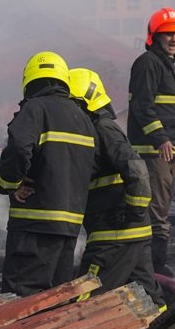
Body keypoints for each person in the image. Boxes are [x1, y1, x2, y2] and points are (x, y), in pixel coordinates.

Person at [0, 52, 96, 296]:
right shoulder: (83, 118)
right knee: (56, 297)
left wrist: (10, 184)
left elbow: (19, 147)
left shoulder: (35, 108)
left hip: (35, 224)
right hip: (69, 226)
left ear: (29, 81)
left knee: (22, 296)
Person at [67, 68, 164, 311]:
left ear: (84, 102)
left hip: (113, 235)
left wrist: (132, 212)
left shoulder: (102, 128)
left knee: (87, 300)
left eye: (71, 104)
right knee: (149, 300)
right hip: (132, 233)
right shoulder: (96, 129)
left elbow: (137, 171)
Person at [128, 8, 175, 275]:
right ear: (155, 37)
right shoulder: (148, 63)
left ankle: (152, 266)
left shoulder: (166, 66)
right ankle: (155, 269)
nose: (173, 39)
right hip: (155, 151)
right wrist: (161, 138)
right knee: (156, 212)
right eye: (167, 34)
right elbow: (143, 106)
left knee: (160, 208)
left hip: (166, 149)